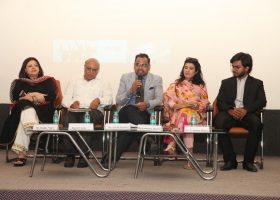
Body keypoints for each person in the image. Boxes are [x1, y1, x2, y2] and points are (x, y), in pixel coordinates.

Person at [102, 53, 163, 166]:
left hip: (144, 113)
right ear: (134, 66)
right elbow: (119, 100)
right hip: (125, 113)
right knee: (130, 108)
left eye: (144, 65)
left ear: (149, 67)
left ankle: (109, 159)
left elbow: (159, 99)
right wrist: (131, 90)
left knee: (129, 131)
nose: (140, 67)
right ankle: (147, 138)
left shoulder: (156, 79)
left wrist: (147, 104)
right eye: (137, 64)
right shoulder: (125, 77)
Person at [0, 57, 58, 167]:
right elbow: (15, 97)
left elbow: (52, 96)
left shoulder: (48, 80)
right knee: (25, 106)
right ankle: (31, 126)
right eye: (30, 66)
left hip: (44, 113)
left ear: (39, 68)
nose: (33, 68)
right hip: (24, 109)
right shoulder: (18, 82)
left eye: (36, 65)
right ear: (25, 70)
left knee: (24, 113)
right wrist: (36, 96)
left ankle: (22, 155)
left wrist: (31, 95)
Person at [214, 52, 266, 172]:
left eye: (237, 67)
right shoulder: (226, 82)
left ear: (247, 68)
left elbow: (262, 101)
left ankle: (248, 162)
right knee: (219, 122)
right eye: (233, 66)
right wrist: (230, 110)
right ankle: (230, 160)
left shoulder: (257, 83)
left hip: (247, 114)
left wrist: (246, 110)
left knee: (257, 124)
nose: (234, 69)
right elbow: (220, 101)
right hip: (230, 114)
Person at [62, 58, 113, 168]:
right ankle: (70, 154)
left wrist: (99, 100)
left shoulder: (103, 82)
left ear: (98, 70)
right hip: (76, 110)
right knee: (68, 119)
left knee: (85, 120)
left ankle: (83, 155)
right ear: (84, 68)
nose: (90, 72)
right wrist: (71, 104)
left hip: (94, 112)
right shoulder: (74, 80)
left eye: (94, 70)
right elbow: (64, 99)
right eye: (88, 69)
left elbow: (110, 99)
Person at [163, 57, 209, 169]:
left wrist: (196, 105)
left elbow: (205, 103)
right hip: (179, 115)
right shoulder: (176, 84)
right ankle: (190, 160)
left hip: (196, 117)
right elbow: (169, 101)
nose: (187, 70)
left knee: (185, 116)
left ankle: (173, 142)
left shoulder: (201, 86)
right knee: (184, 116)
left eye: (191, 68)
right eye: (185, 67)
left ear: (196, 71)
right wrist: (185, 105)